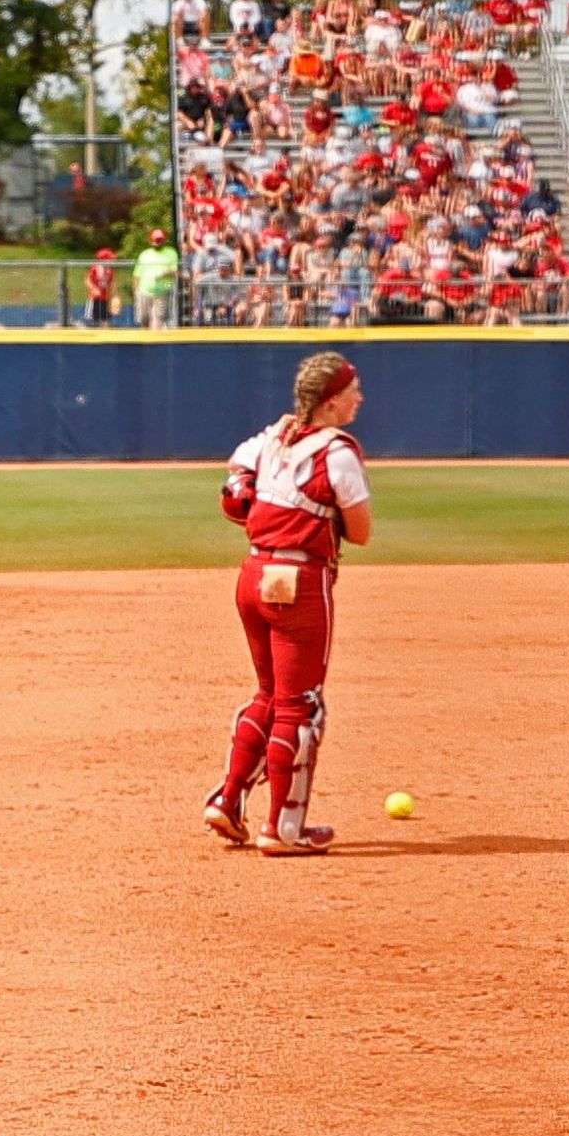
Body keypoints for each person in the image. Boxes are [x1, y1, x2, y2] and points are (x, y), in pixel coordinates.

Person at [204, 348, 372, 856]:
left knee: (271, 695)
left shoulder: (272, 437)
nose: (359, 399)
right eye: (351, 392)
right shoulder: (336, 451)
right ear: (330, 402)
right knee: (301, 707)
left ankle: (230, 799)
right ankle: (284, 828)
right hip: (299, 580)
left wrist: (258, 503)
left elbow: (234, 482)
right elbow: (361, 532)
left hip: (253, 573)